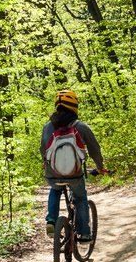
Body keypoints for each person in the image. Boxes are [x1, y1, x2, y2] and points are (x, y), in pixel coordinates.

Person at [40, 89, 107, 241]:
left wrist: (46, 163)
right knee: (80, 197)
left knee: (55, 188)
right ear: (74, 106)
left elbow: (43, 149)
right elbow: (94, 149)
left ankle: (51, 219)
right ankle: (84, 233)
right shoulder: (81, 126)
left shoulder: (47, 127)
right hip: (75, 175)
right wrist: (100, 166)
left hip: (53, 174)